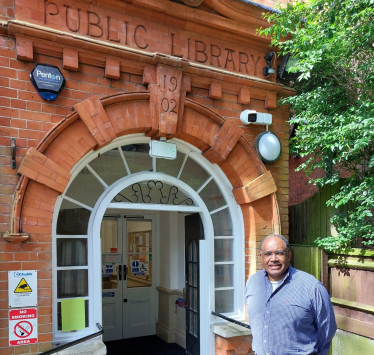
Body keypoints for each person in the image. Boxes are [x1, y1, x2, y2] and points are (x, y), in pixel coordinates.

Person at [245, 234, 337, 355]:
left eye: (279, 253)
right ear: (261, 257)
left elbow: (327, 331)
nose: (273, 259)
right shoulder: (253, 282)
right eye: (268, 254)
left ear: (288, 255)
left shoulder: (312, 287)